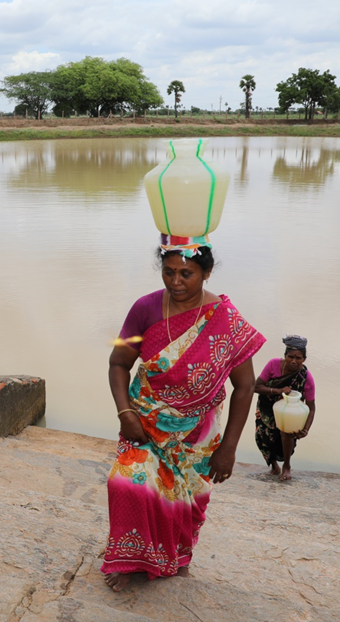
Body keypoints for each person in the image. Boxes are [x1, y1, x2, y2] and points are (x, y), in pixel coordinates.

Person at [101, 234, 265, 592]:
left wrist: (229, 448)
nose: (175, 282)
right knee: (126, 482)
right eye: (168, 271)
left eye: (186, 274)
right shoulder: (143, 309)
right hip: (144, 422)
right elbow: (118, 363)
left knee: (186, 501)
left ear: (206, 273)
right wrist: (124, 412)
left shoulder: (225, 319)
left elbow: (246, 386)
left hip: (197, 433)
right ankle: (133, 559)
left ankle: (175, 558)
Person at [253, 335, 316, 482]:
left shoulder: (306, 378)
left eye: (298, 358)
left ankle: (287, 466)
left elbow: (311, 407)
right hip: (267, 408)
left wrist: (306, 429)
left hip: (289, 412)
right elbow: (256, 387)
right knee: (263, 437)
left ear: (304, 359)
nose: (293, 361)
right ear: (285, 356)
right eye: (290, 356)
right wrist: (278, 390)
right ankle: (274, 465)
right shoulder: (273, 365)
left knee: (286, 435)